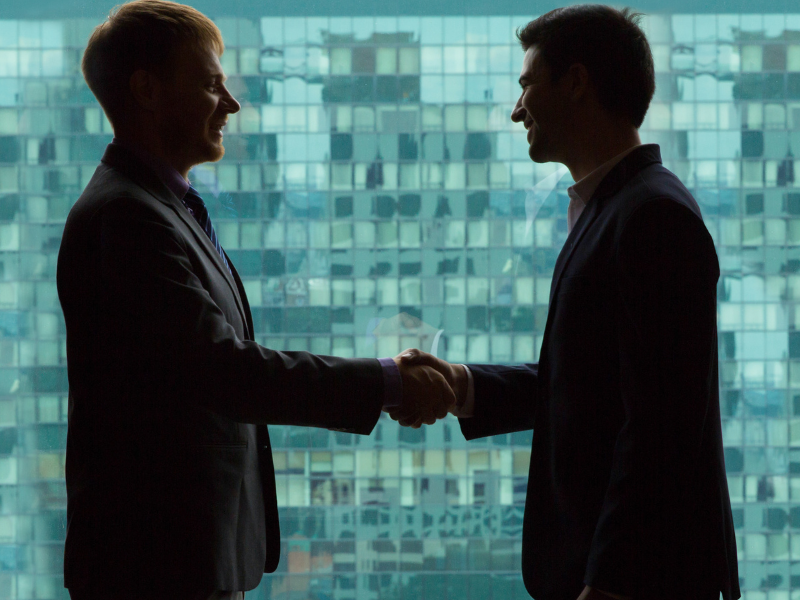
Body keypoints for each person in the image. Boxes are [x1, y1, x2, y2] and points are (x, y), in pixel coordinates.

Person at [57, 2, 454, 599]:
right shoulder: (127, 218)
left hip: (189, 558)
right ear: (148, 89)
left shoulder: (158, 208)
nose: (231, 104)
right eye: (212, 83)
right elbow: (224, 371)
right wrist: (388, 382)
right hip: (157, 565)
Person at [393, 6, 740, 600]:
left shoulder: (650, 216)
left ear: (576, 83)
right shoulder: (618, 208)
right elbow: (592, 386)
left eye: (528, 84)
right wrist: (462, 385)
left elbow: (660, 426)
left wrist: (610, 584)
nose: (516, 107)